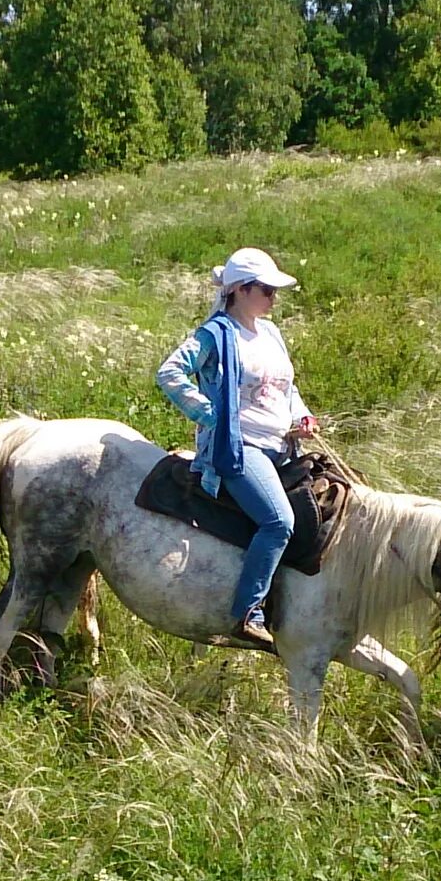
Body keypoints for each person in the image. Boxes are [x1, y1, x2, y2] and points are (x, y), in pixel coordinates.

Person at [156, 248, 316, 650]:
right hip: (240, 448)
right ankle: (248, 611)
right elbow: (169, 373)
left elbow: (286, 389)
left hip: (282, 444)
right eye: (266, 289)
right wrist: (212, 415)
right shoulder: (214, 334)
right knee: (278, 522)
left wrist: (302, 418)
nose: (273, 298)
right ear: (241, 290)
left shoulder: (271, 333)